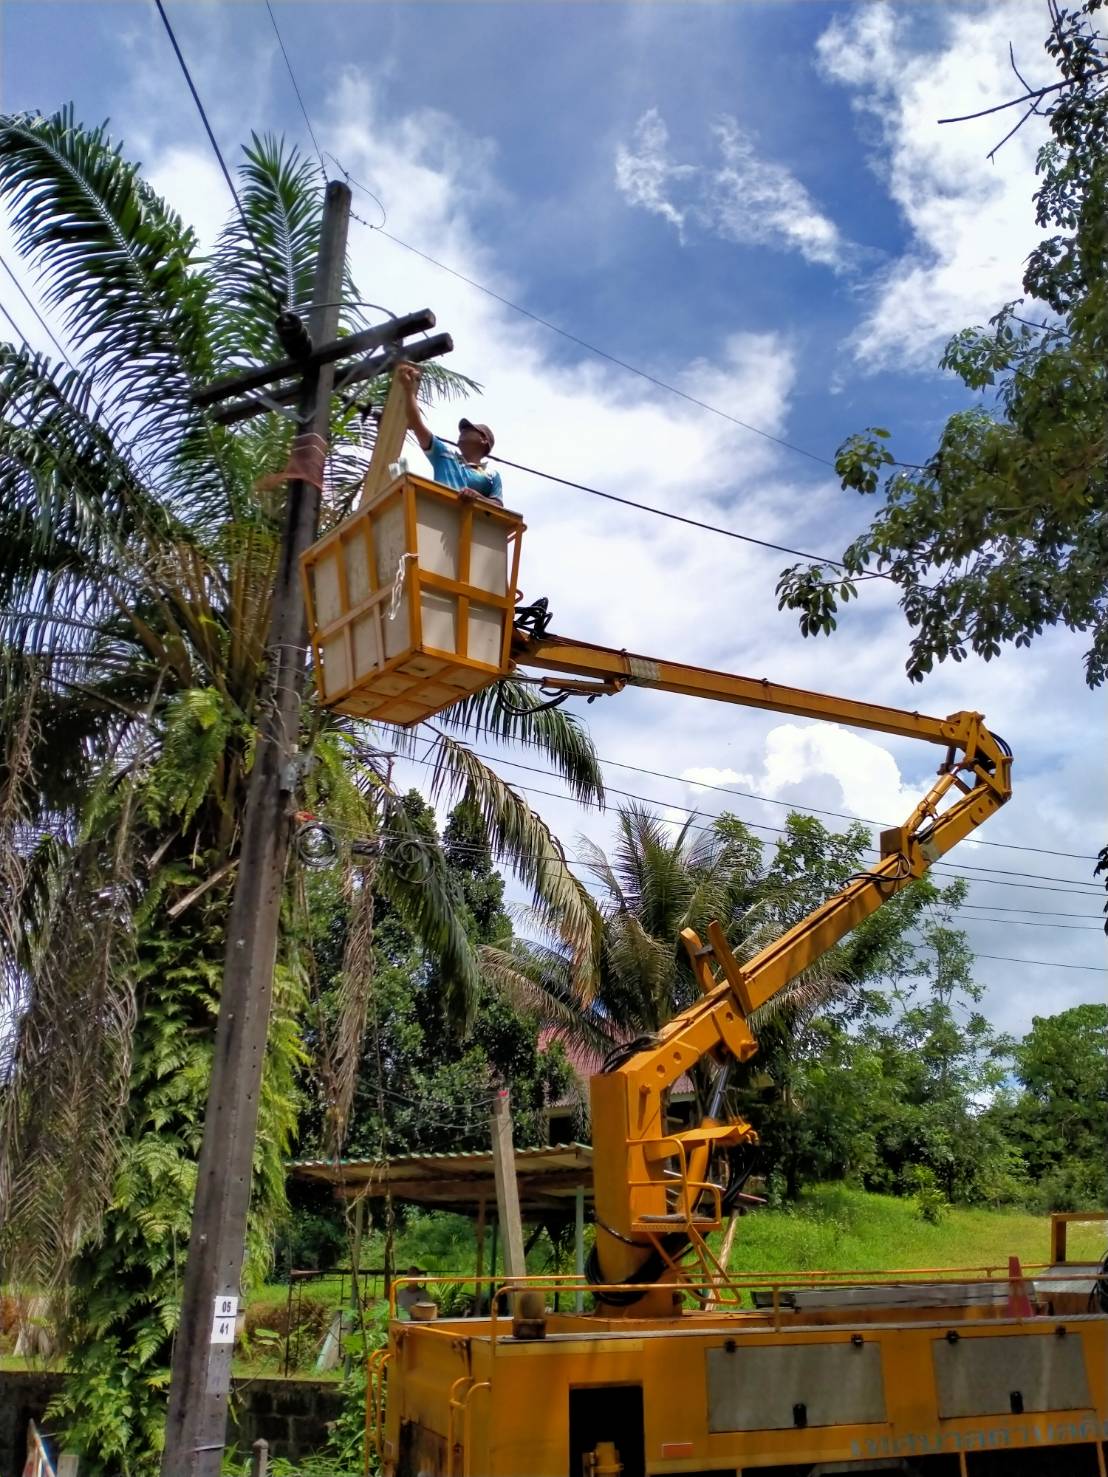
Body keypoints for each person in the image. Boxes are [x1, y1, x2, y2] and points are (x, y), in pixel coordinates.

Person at [396, 362, 503, 504]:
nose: (463, 431)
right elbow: (416, 423)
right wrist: (408, 390)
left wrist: (477, 497)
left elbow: (498, 505)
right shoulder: (444, 455)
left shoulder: (492, 475)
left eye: (469, 429)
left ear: (484, 440)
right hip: (439, 517)